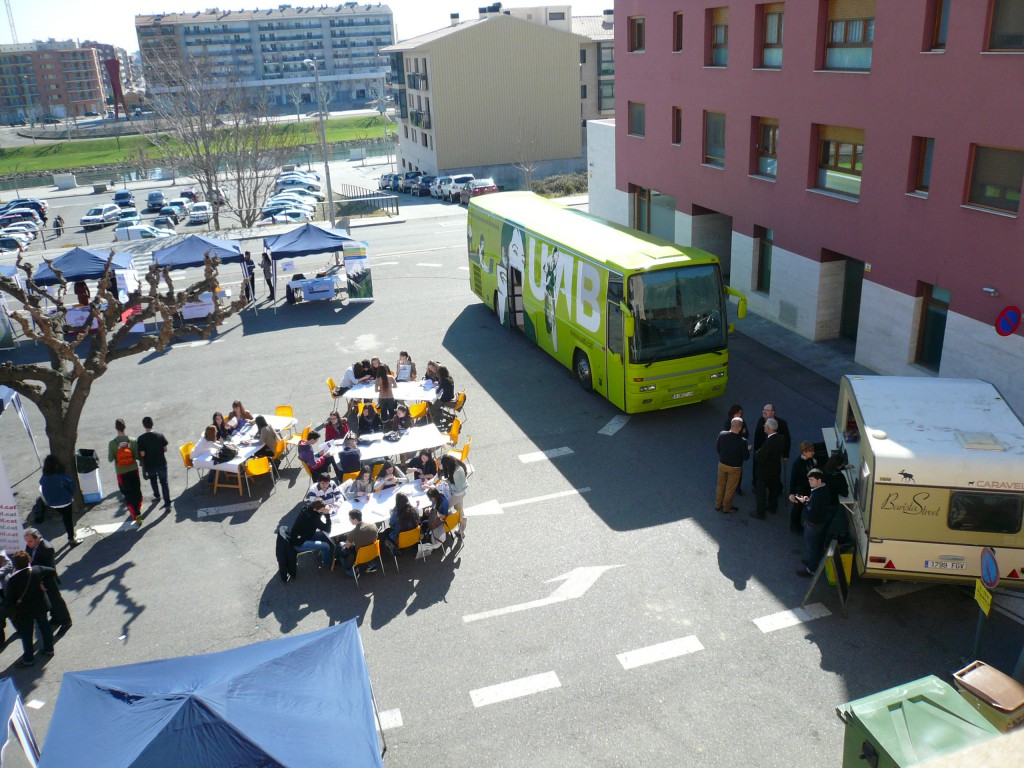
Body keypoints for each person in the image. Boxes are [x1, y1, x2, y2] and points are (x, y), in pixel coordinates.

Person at [7, 550, 56, 667]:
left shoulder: (12, 580)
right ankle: (49, 649)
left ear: (15, 565)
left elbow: (10, 599)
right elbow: (51, 571)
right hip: (40, 605)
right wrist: (41, 582)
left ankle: (28, 659)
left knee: (27, 634)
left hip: (25, 611)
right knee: (45, 627)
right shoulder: (37, 570)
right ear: (28, 560)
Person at [24, 529, 72, 632]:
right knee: (49, 600)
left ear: (37, 538)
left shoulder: (47, 548)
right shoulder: (30, 546)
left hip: (48, 578)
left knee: (56, 600)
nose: (28, 544)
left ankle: (65, 620)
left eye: (30, 541)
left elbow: (47, 567)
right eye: (27, 541)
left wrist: (40, 579)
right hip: (38, 578)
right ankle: (55, 617)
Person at [108, 418, 143, 525]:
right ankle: (138, 506)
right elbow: (137, 456)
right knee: (136, 489)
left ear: (116, 428)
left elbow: (110, 459)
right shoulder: (132, 440)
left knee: (128, 493)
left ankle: (135, 514)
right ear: (125, 427)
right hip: (133, 469)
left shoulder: (112, 443)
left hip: (121, 472)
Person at [38, 454, 78, 548]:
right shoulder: (63, 476)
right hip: (65, 501)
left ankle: (71, 535)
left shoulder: (44, 477)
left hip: (52, 503)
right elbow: (73, 487)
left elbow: (41, 484)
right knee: (68, 519)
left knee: (65, 517)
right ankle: (71, 538)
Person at [796, 469, 831, 577]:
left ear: (819, 480)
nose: (809, 482)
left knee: (812, 547)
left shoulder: (817, 494)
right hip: (820, 523)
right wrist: (809, 500)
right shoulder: (823, 489)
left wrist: (805, 503)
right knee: (816, 546)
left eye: (811, 480)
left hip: (813, 525)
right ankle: (813, 562)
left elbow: (812, 512)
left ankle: (811, 569)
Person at [752, 418, 784, 520]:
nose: (764, 427)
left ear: (769, 428)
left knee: (761, 492)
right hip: (775, 469)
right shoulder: (781, 438)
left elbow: (760, 457)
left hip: (764, 471)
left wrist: (757, 453)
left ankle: (760, 513)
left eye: (765, 426)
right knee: (773, 490)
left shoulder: (769, 442)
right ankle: (773, 507)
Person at [715, 417, 749, 513]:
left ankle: (717, 505)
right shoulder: (742, 441)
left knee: (720, 485)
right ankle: (726, 508)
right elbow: (746, 457)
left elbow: (718, 449)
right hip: (735, 467)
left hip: (722, 464)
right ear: (740, 428)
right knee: (730, 488)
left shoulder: (722, 434)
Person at [137, 416, 171, 511]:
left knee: (153, 480)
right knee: (164, 483)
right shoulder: (160, 435)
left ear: (144, 426)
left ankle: (157, 496)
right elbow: (165, 449)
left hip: (150, 464)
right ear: (152, 424)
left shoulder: (141, 439)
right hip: (161, 462)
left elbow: (142, 454)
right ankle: (167, 503)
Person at [753, 404, 792, 487]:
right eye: (763, 409)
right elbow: (756, 436)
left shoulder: (781, 423)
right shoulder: (761, 420)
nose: (764, 411)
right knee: (758, 471)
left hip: (774, 454)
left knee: (774, 472)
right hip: (761, 452)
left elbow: (787, 439)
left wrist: (785, 455)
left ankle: (776, 488)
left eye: (767, 410)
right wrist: (756, 451)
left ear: (773, 412)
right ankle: (756, 485)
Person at [288, 499, 334, 568]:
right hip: (299, 543)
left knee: (324, 535)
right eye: (321, 509)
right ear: (315, 509)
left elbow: (318, 513)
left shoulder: (308, 507)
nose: (323, 510)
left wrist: (323, 508)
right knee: (325, 546)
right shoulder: (313, 518)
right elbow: (327, 529)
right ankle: (327, 564)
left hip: (303, 535)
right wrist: (327, 515)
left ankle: (325, 554)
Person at [788, 442, 819, 534]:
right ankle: (794, 525)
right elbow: (793, 479)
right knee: (797, 509)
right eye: (810, 451)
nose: (813, 453)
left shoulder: (810, 460)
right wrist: (792, 493)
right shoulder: (798, 464)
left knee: (801, 508)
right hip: (800, 490)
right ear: (804, 452)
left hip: (808, 489)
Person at [337, 510, 379, 577]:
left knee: (340, 548)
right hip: (373, 551)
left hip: (361, 555)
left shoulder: (352, 533)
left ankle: (350, 571)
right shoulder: (373, 525)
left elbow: (347, 546)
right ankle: (371, 564)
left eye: (350, 519)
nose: (349, 520)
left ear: (355, 520)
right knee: (366, 545)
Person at [723, 404, 750, 495]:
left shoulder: (742, 422)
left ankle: (737, 487)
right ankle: (729, 486)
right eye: (738, 413)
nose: (740, 415)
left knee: (739, 472)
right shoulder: (728, 423)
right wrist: (740, 434)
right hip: (730, 452)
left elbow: (746, 434)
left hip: (738, 452)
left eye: (741, 413)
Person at [439, 454, 468, 536]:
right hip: (461, 493)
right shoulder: (458, 466)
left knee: (442, 509)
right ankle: (461, 530)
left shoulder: (456, 472)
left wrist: (447, 482)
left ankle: (445, 528)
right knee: (460, 510)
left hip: (457, 494)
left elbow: (458, 487)